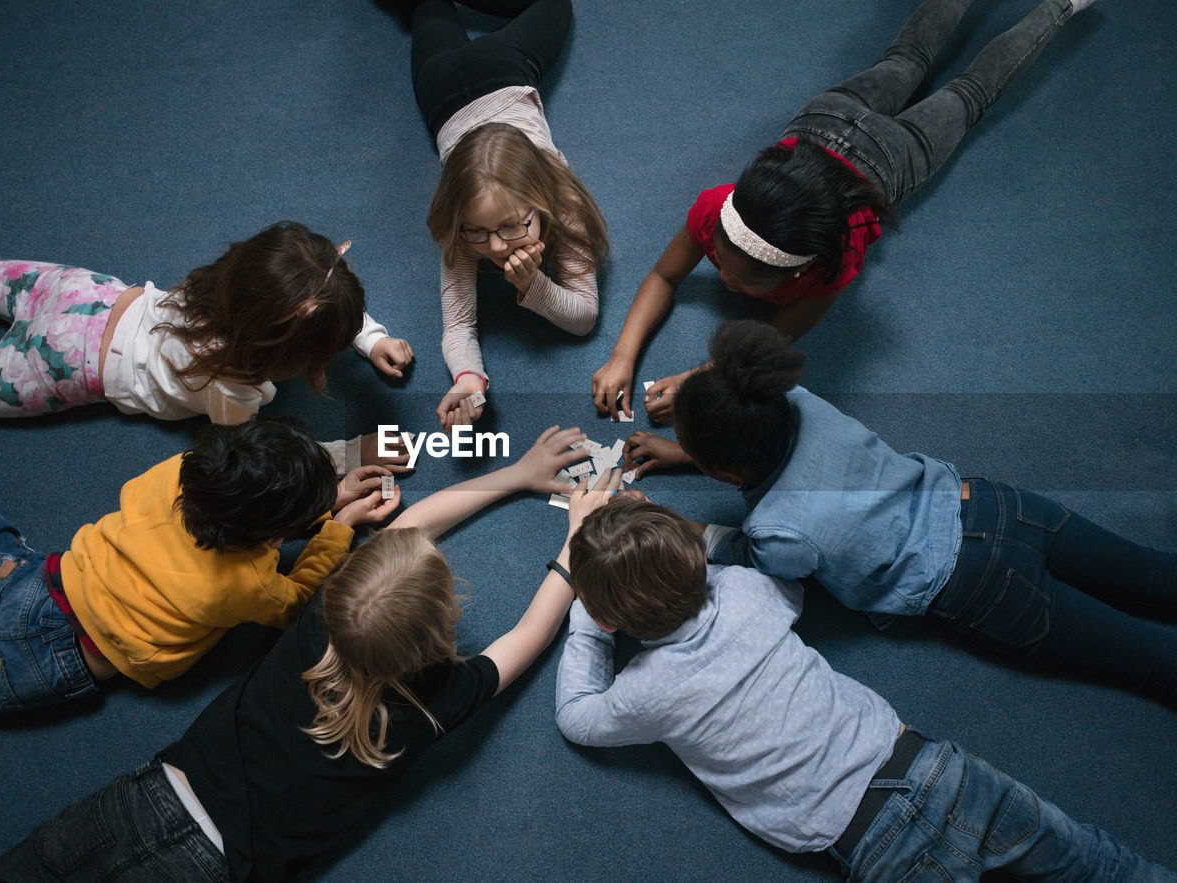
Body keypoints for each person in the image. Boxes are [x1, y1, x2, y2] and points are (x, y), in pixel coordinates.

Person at [0, 427, 614, 881]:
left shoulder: (317, 617)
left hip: (152, 793)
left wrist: (511, 474)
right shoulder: (425, 703)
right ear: (438, 636)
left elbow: (410, 531)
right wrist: (575, 544)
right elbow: (524, 638)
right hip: (220, 865)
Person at [555, 496, 1174, 880]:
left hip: (870, 844)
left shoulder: (645, 693)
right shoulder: (748, 595)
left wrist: (588, 617)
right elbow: (780, 578)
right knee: (1092, 860)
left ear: (610, 618)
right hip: (931, 767)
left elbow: (578, 718)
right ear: (699, 563)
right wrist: (697, 540)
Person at [592, 0, 1100, 423]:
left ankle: (1061, 6)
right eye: (721, 263)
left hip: (893, 156)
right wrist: (623, 356)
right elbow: (664, 274)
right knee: (907, 57)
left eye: (747, 285)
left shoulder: (831, 265)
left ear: (802, 267)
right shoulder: (717, 209)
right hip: (827, 115)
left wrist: (702, 379)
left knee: (967, 94)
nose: (725, 282)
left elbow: (782, 330)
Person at [622, 320, 1177, 706]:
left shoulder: (777, 532)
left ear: (723, 474)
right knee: (1152, 572)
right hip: (996, 505)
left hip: (978, 586)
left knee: (1149, 661)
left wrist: (686, 529)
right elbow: (751, 413)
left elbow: (748, 551)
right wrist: (692, 438)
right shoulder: (798, 401)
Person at [0, 415, 400, 720]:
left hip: (26, 586)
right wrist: (339, 523)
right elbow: (297, 600)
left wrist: (326, 498)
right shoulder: (248, 584)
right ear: (273, 537)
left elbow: (246, 510)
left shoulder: (183, 470)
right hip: (47, 667)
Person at [0, 219, 414, 469]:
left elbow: (304, 298)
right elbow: (260, 454)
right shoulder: (233, 390)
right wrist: (351, 451)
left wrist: (369, 338)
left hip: (83, 292)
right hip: (58, 368)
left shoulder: (227, 283)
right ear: (283, 354)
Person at [411, 0, 609, 431]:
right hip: (441, 90)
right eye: (480, 233)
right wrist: (468, 377)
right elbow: (457, 323)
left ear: (540, 203)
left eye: (511, 226)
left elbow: (584, 317)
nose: (497, 246)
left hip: (505, 68)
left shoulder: (564, 202)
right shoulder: (461, 225)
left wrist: (532, 284)